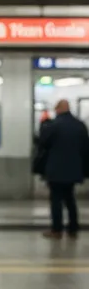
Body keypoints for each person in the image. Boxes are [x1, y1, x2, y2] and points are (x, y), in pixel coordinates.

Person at [41, 99, 89, 239]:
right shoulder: (80, 125)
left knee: (56, 200)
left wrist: (44, 124)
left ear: (58, 109)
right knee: (70, 199)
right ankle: (73, 228)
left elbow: (43, 143)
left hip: (56, 169)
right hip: (74, 170)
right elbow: (86, 148)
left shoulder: (53, 125)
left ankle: (57, 230)